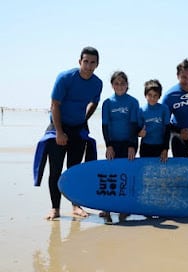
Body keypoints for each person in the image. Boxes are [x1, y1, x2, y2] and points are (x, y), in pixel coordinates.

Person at [41, 46, 103, 220]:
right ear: (79, 61)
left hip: (77, 128)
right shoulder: (65, 78)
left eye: (92, 63)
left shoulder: (97, 83)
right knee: (56, 170)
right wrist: (59, 132)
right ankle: (55, 208)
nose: (88, 66)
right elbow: (55, 105)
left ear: (97, 64)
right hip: (57, 127)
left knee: (74, 170)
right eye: (86, 62)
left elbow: (95, 102)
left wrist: (85, 118)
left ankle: (76, 206)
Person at [101, 71, 141, 223]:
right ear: (112, 85)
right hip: (113, 143)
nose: (119, 86)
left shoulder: (133, 102)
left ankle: (124, 208)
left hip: (128, 143)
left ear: (127, 85)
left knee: (125, 175)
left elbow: (133, 125)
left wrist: (132, 145)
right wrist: (108, 145)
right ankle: (107, 207)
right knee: (111, 174)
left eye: (122, 83)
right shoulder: (108, 103)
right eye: (116, 83)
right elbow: (105, 125)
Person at [138, 79, 171, 162]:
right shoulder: (141, 110)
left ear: (159, 96)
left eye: (155, 95)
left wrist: (165, 149)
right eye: (150, 95)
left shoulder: (164, 109)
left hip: (160, 146)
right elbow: (137, 130)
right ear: (145, 95)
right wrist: (139, 133)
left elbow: (167, 130)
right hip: (145, 146)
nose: (152, 98)